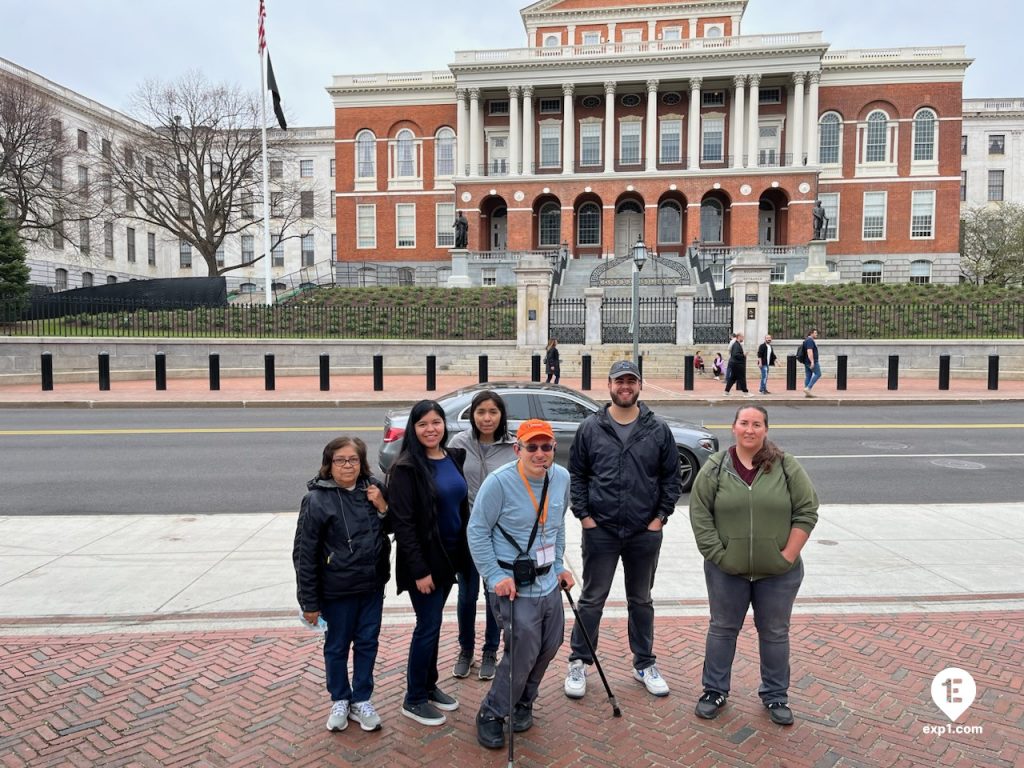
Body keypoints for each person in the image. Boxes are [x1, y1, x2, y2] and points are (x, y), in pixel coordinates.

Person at [688, 405, 819, 726]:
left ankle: (775, 695)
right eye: (744, 423)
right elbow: (700, 513)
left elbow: (807, 510)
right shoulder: (717, 467)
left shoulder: (786, 466)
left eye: (757, 424)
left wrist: (787, 555)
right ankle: (714, 691)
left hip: (777, 573)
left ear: (765, 430)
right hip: (726, 571)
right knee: (722, 629)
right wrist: (719, 556)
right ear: (733, 428)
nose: (750, 429)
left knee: (774, 632)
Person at [564, 360, 681, 700]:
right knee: (592, 599)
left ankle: (644, 662)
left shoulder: (658, 430)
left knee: (641, 600)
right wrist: (584, 516)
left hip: (644, 531)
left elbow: (671, 479)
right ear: (610, 385)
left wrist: (660, 518)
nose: (625, 387)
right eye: (619, 381)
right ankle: (579, 661)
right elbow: (578, 475)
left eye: (631, 381)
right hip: (600, 530)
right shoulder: (591, 427)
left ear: (640, 386)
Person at [468, 419, 575, 749]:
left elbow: (556, 527)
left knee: (551, 644)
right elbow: (477, 531)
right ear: (518, 449)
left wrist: (559, 565)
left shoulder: (561, 477)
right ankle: (492, 712)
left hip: (547, 582)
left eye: (546, 446)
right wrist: (495, 576)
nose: (540, 453)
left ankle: (523, 701)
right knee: (523, 653)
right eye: (532, 447)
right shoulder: (498, 483)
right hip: (512, 584)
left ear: (554, 448)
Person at [293, 436, 390, 733]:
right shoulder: (316, 500)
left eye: (354, 460)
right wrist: (308, 602)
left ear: (362, 463)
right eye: (340, 460)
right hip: (337, 591)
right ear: (329, 464)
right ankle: (340, 698)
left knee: (367, 643)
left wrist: (383, 506)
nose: (348, 465)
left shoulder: (373, 490)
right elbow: (304, 554)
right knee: (336, 647)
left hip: (371, 586)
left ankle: (361, 698)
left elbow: (393, 528)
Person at [388, 400, 469, 727]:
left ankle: (429, 685)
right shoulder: (406, 467)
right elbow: (403, 525)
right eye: (423, 424)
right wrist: (420, 571)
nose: (430, 429)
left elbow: (460, 507)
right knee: (427, 626)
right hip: (424, 561)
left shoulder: (452, 457)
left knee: (434, 624)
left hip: (450, 556)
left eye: (436, 422)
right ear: (414, 429)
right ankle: (414, 698)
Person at [447, 391, 517, 681]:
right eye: (480, 412)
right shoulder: (458, 444)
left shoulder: (514, 446)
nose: (487, 418)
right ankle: (466, 649)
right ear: (472, 415)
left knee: (494, 596)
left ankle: (490, 650)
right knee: (466, 595)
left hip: (500, 536)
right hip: (466, 533)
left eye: (493, 412)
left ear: (501, 415)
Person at [802, 329, 821, 397]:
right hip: (811, 361)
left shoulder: (806, 340)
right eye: (815, 333)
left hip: (806, 361)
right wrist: (812, 362)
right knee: (818, 374)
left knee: (808, 376)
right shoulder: (810, 341)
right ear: (811, 333)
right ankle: (808, 388)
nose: (816, 334)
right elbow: (809, 351)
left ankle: (807, 393)